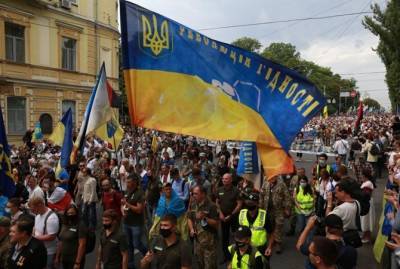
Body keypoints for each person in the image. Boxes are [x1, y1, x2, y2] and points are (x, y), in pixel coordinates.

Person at [188, 185, 219, 269]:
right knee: (200, 264)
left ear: (203, 194)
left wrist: (204, 218)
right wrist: (191, 229)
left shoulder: (211, 206)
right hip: (197, 241)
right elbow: (189, 218)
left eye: (196, 194)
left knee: (210, 266)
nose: (193, 196)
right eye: (193, 194)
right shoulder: (193, 204)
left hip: (209, 244)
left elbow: (216, 224)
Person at [260, 175, 291, 254]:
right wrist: (260, 206)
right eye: (270, 177)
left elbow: (287, 197)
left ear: (276, 177)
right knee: (269, 226)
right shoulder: (265, 183)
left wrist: (287, 208)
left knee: (278, 226)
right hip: (267, 209)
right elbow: (261, 195)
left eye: (273, 177)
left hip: (278, 210)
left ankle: (278, 243)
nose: (271, 179)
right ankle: (271, 241)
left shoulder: (281, 184)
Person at [122, 174, 147, 268]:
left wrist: (127, 204)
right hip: (126, 222)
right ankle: (131, 264)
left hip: (136, 224)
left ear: (134, 182)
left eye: (129, 182)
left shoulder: (140, 193)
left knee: (136, 243)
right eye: (127, 182)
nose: (127, 183)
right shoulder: (126, 191)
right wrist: (122, 210)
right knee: (128, 245)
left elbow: (139, 209)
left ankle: (147, 254)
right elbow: (122, 203)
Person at [239, 191, 274, 260]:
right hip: (245, 248)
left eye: (252, 204)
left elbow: (271, 233)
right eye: (248, 204)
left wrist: (269, 247)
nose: (250, 206)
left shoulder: (264, 215)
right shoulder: (241, 214)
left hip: (261, 249)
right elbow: (238, 234)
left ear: (257, 204)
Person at [216, 173, 243, 263]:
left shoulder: (236, 190)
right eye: (223, 179)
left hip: (233, 216)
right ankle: (226, 255)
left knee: (237, 236)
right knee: (224, 237)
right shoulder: (219, 190)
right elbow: (217, 202)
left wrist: (231, 215)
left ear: (231, 180)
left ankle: (238, 254)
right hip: (223, 217)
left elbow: (239, 204)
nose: (224, 180)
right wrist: (220, 213)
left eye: (226, 179)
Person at [29, 196, 60, 269]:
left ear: (40, 205)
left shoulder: (51, 218)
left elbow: (51, 237)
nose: (32, 212)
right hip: (40, 249)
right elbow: (35, 226)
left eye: (33, 209)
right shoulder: (38, 214)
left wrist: (34, 238)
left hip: (49, 252)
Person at [56, 204, 87, 269]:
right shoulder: (64, 224)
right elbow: (60, 241)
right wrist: (57, 257)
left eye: (72, 213)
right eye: (68, 213)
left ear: (76, 213)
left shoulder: (80, 225)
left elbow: (82, 245)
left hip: (74, 259)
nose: (70, 215)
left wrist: (77, 262)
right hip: (64, 258)